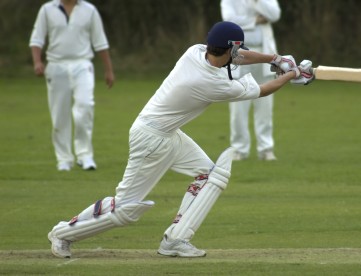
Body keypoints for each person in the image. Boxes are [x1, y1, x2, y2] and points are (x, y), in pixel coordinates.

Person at [46, 21, 314, 258]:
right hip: (151, 139)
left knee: (210, 176)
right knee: (125, 210)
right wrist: (293, 74)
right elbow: (263, 89)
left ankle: (175, 240)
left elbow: (239, 56)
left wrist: (275, 58)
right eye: (236, 49)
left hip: (166, 133)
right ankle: (62, 233)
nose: (239, 53)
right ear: (229, 50)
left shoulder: (195, 51)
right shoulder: (211, 82)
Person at [29, 0, 115, 171]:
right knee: (59, 114)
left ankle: (85, 155)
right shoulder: (47, 9)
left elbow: (100, 42)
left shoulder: (89, 10)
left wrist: (108, 70)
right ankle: (64, 159)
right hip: (55, 65)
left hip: (82, 64)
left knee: (85, 106)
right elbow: (37, 39)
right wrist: (37, 62)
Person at [221, 0, 281, 161]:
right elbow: (230, 20)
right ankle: (239, 149)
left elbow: (275, 15)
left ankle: (266, 149)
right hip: (239, 55)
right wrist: (256, 20)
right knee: (238, 105)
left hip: (265, 54)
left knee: (265, 105)